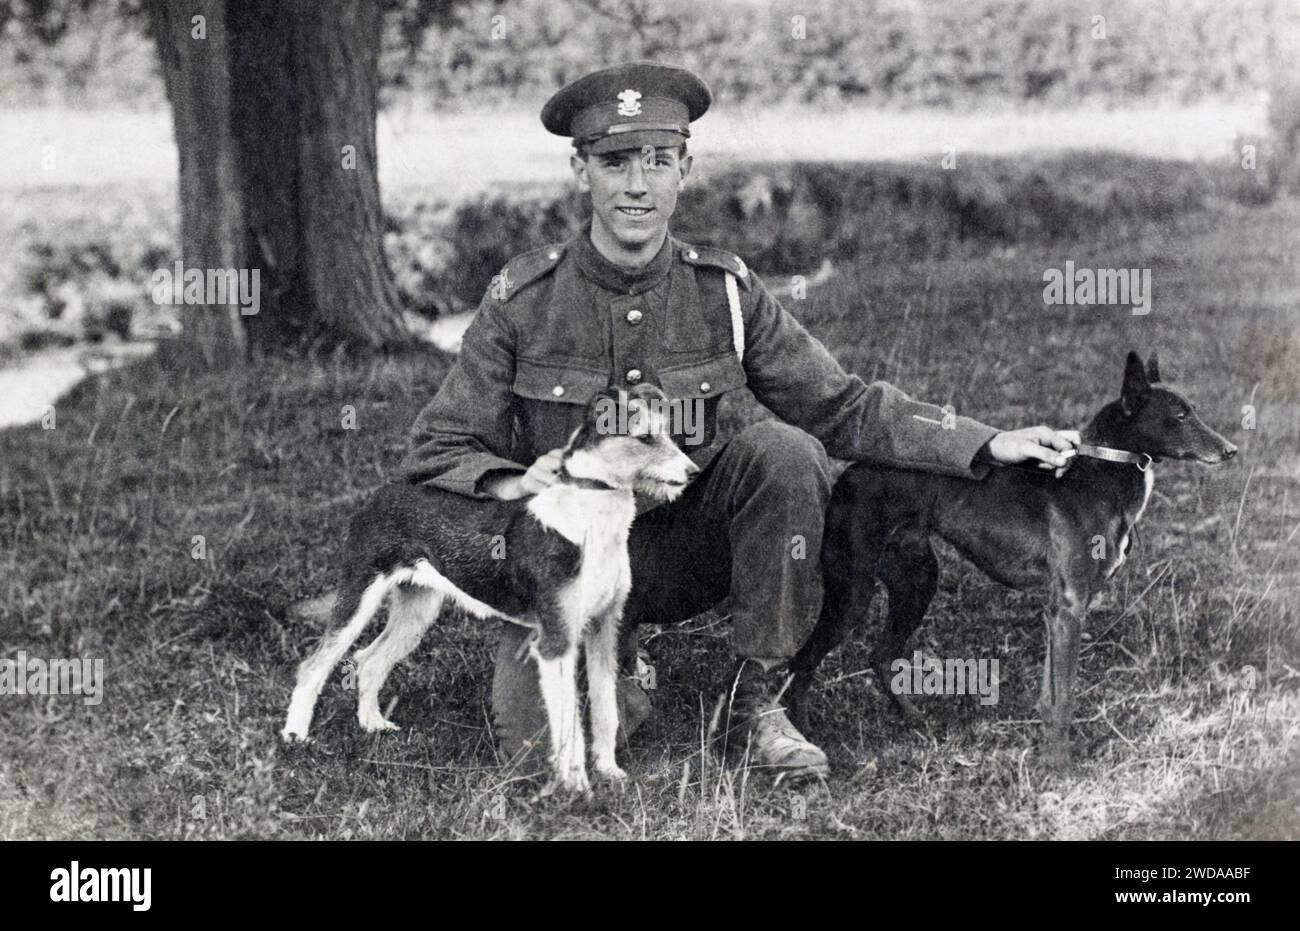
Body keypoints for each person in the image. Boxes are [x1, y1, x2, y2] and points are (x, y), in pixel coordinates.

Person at [401, 61, 1079, 777]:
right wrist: (513, 480)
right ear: (581, 171)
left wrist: (984, 441)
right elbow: (437, 446)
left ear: (684, 168)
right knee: (539, 755)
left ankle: (759, 699)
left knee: (786, 451)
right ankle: (620, 664)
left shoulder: (720, 289)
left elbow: (841, 405)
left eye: (658, 161)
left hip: (686, 548)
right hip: (566, 560)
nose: (637, 184)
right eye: (615, 162)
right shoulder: (522, 298)